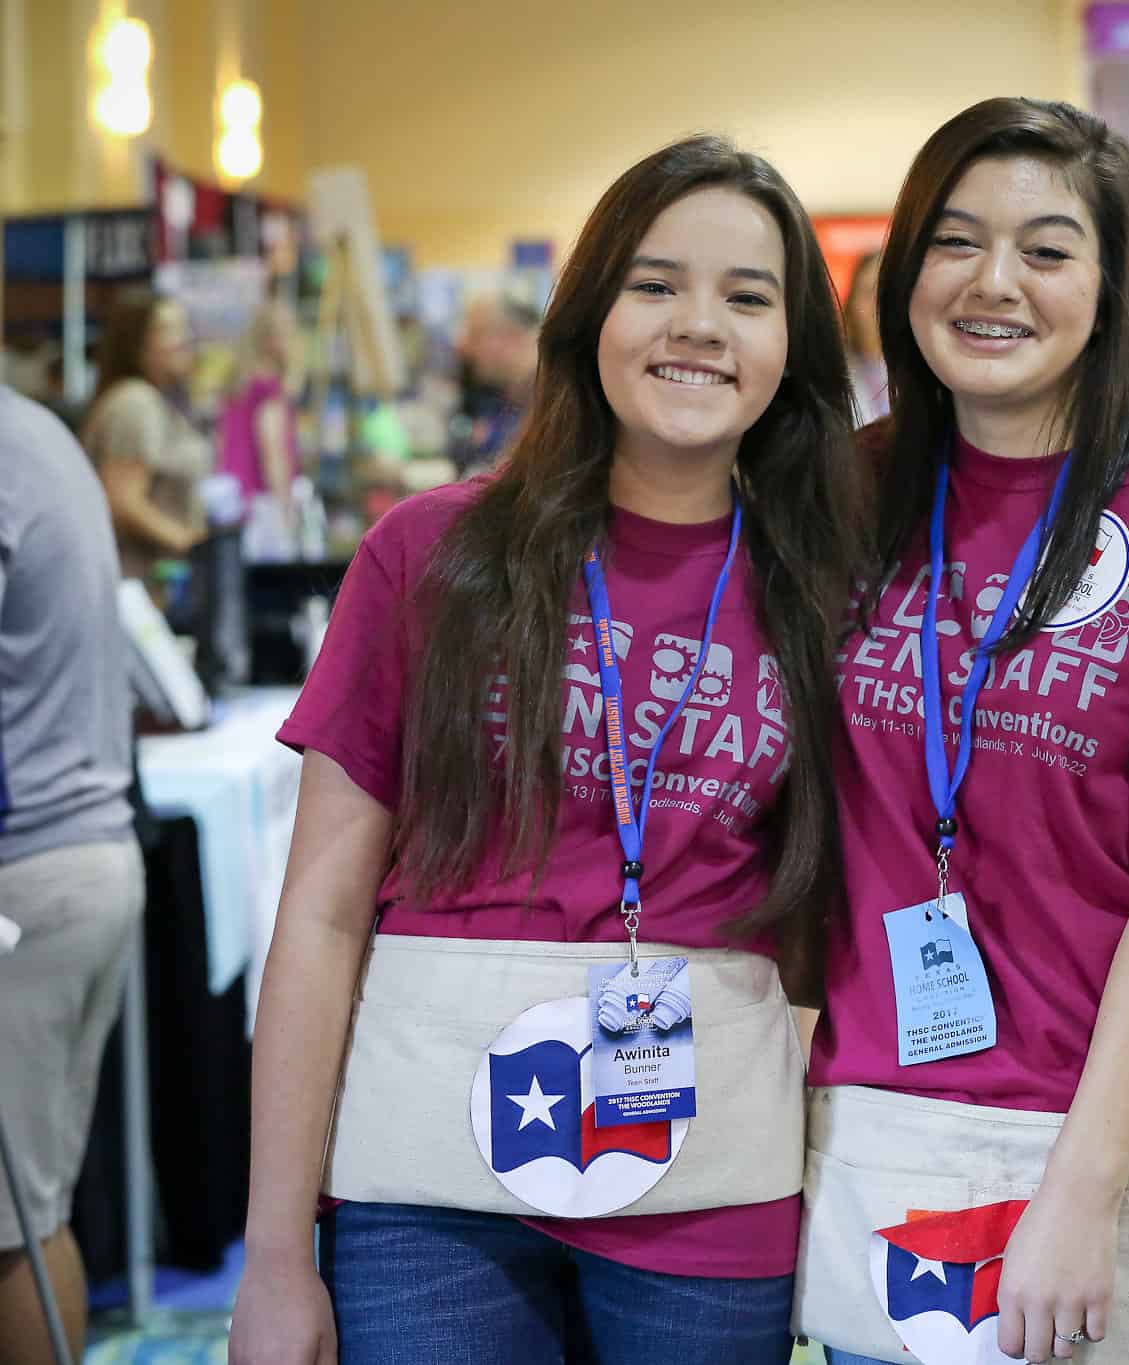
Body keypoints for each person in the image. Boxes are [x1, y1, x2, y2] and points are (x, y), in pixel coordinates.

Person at [226, 136, 864, 1365]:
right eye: (655, 284)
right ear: (588, 314)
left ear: (794, 350)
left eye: (748, 297)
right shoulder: (433, 557)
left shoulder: (826, 589)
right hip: (426, 1183)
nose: (699, 327)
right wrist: (271, 1254)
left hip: (707, 1183)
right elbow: (316, 917)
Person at [793, 98, 1129, 1365]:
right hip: (893, 1131)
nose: (993, 283)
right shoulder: (844, 494)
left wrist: (1082, 1194)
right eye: (956, 241)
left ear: (1110, 283)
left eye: (1045, 249)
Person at [0, 384, 144, 1365]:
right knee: (34, 1205)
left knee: (11, 1223)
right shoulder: (33, 429)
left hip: (30, 876)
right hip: (81, 854)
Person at [80, 287, 211, 582]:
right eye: (168, 330)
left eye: (183, 326)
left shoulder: (158, 402)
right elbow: (122, 500)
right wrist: (192, 544)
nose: (184, 339)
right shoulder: (135, 403)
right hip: (140, 587)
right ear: (136, 343)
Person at [217, 296, 303, 561]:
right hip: (264, 503)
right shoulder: (269, 388)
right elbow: (272, 450)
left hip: (235, 498)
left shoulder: (239, 384)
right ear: (271, 338)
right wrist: (285, 508)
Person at [453, 291, 542, 474]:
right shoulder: (509, 399)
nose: (464, 347)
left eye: (476, 335)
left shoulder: (555, 403)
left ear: (513, 337)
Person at [842, 250, 889, 426]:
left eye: (886, 291)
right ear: (851, 304)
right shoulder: (832, 374)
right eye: (869, 292)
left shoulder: (930, 372)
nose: (877, 303)